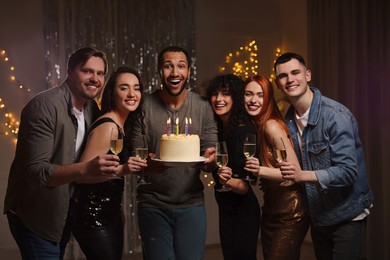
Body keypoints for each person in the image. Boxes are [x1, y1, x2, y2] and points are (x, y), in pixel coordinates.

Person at [3, 47, 120, 259]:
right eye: (87, 71)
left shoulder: (93, 109)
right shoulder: (44, 106)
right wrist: (85, 169)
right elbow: (36, 172)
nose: (95, 78)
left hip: (64, 213)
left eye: (100, 73)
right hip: (37, 217)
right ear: (69, 72)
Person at [273, 52, 374, 260]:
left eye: (295, 72)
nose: (290, 79)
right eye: (283, 76)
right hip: (319, 217)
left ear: (307, 75)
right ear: (277, 83)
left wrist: (303, 175)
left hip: (347, 215)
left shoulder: (335, 116)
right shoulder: (288, 121)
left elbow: (348, 172)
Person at [129, 46, 218, 260]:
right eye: (168, 66)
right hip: (153, 203)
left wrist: (210, 160)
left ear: (189, 71)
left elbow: (210, 153)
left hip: (191, 203)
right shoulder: (144, 106)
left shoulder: (203, 106)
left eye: (181, 66)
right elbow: (136, 156)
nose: (175, 72)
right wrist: (148, 163)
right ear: (160, 71)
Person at [69, 66, 146, 260]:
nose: (132, 94)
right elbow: (81, 176)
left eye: (136, 88)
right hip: (93, 215)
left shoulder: (121, 124)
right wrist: (123, 169)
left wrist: (117, 210)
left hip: (109, 212)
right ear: (112, 92)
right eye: (124, 88)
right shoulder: (109, 126)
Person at [243, 75, 310, 260]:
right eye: (248, 94)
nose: (253, 100)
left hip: (290, 211)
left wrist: (259, 170)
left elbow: (294, 170)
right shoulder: (257, 126)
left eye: (260, 95)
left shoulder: (271, 126)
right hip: (271, 208)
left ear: (268, 99)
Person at [206, 74, 261, 260]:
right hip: (226, 207)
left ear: (235, 98)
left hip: (243, 212)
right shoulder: (218, 130)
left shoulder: (243, 131)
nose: (219, 99)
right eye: (215, 94)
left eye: (226, 94)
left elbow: (244, 187)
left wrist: (227, 180)